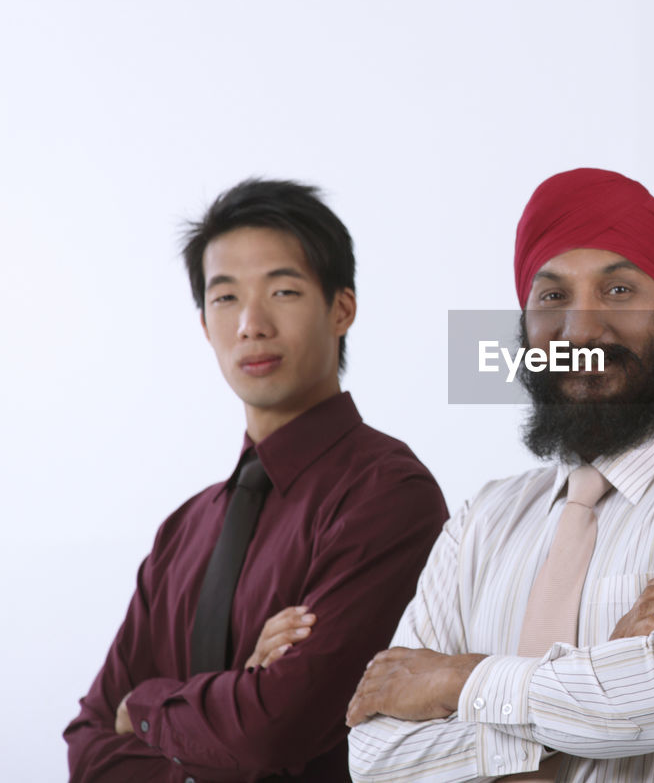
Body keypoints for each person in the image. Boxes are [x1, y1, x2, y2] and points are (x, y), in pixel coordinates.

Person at [346, 167, 654, 781]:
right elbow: (375, 757)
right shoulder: (483, 519)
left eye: (619, 291)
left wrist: (454, 679)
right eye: (552, 297)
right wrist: (605, 673)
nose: (579, 330)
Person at [65, 179, 448, 782]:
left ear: (341, 308)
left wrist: (143, 708)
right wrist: (229, 701)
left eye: (284, 290)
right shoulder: (183, 531)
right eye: (225, 299)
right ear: (204, 325)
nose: (251, 323)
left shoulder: (387, 494)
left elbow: (276, 732)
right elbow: (86, 748)